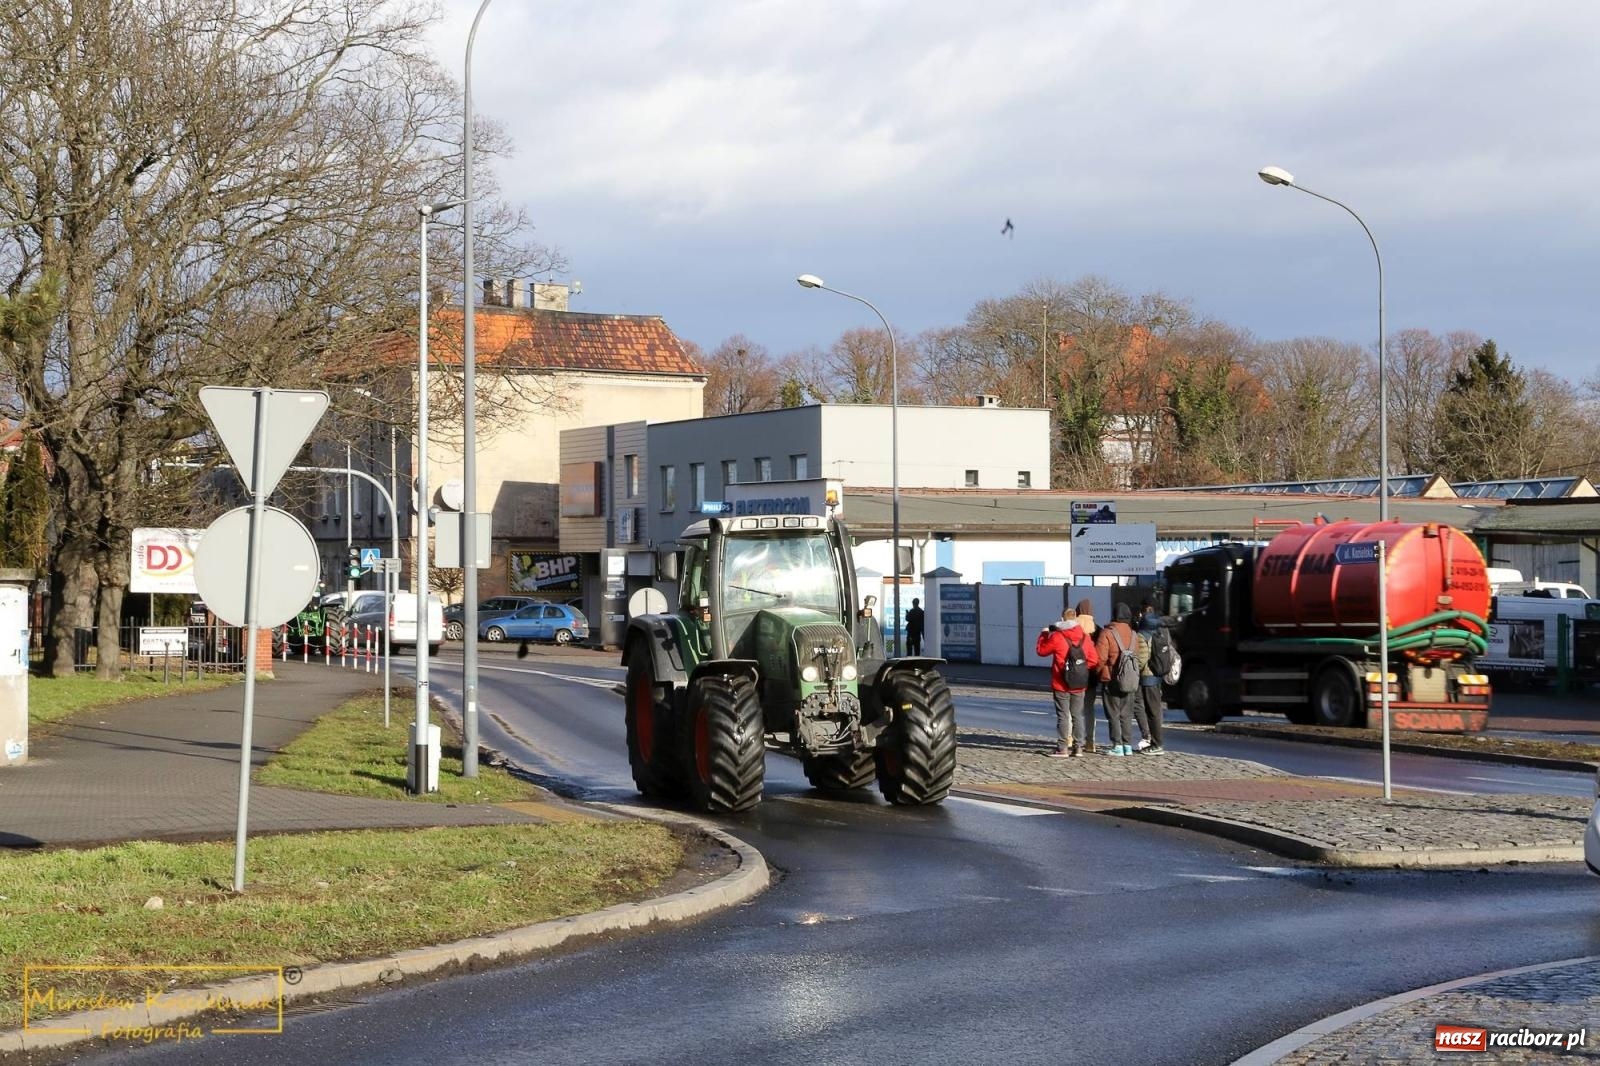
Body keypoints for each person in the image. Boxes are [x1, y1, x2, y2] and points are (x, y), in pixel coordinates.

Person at [1035, 607, 1099, 758]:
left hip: (1060, 682)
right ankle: (1078, 748)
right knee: (1078, 715)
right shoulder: (1085, 637)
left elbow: (1041, 651)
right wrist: (1081, 669)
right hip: (1080, 683)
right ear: (1075, 618)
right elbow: (1094, 660)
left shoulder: (1057, 636)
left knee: (1063, 715)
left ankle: (1063, 748)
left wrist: (1044, 634)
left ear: (1062, 619)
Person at [1094, 603, 1140, 756]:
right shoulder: (1134, 634)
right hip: (1130, 679)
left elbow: (1100, 658)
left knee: (1113, 713)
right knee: (1126, 714)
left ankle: (1117, 745)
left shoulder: (1107, 633)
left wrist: (1100, 673)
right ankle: (1127, 745)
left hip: (1111, 678)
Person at [1134, 611, 1168, 754]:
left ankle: (1156, 745)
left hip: (1147, 678)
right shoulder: (1159, 634)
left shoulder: (1142, 636)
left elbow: (1141, 660)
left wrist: (1135, 670)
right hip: (1157, 676)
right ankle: (1156, 743)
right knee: (1155, 711)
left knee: (1152, 713)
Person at [1075, 597, 1100, 753]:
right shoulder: (1098, 630)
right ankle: (1090, 741)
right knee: (1089, 709)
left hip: (1074, 675)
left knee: (1074, 710)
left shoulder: (1073, 629)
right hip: (1091, 675)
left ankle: (1073, 739)